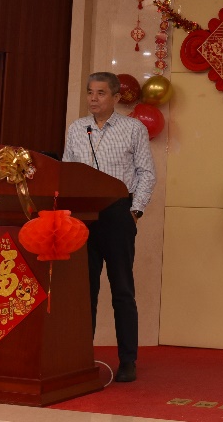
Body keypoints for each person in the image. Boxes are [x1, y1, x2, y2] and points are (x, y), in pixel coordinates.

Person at [62, 72, 155, 383]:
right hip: (82, 216)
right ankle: (80, 357)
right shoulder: (77, 128)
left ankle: (128, 360)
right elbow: (67, 171)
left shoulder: (133, 128)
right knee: (84, 290)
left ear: (116, 97)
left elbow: (146, 173)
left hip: (118, 213)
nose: (93, 98)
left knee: (122, 289)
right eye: (90, 92)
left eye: (101, 93)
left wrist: (135, 212)